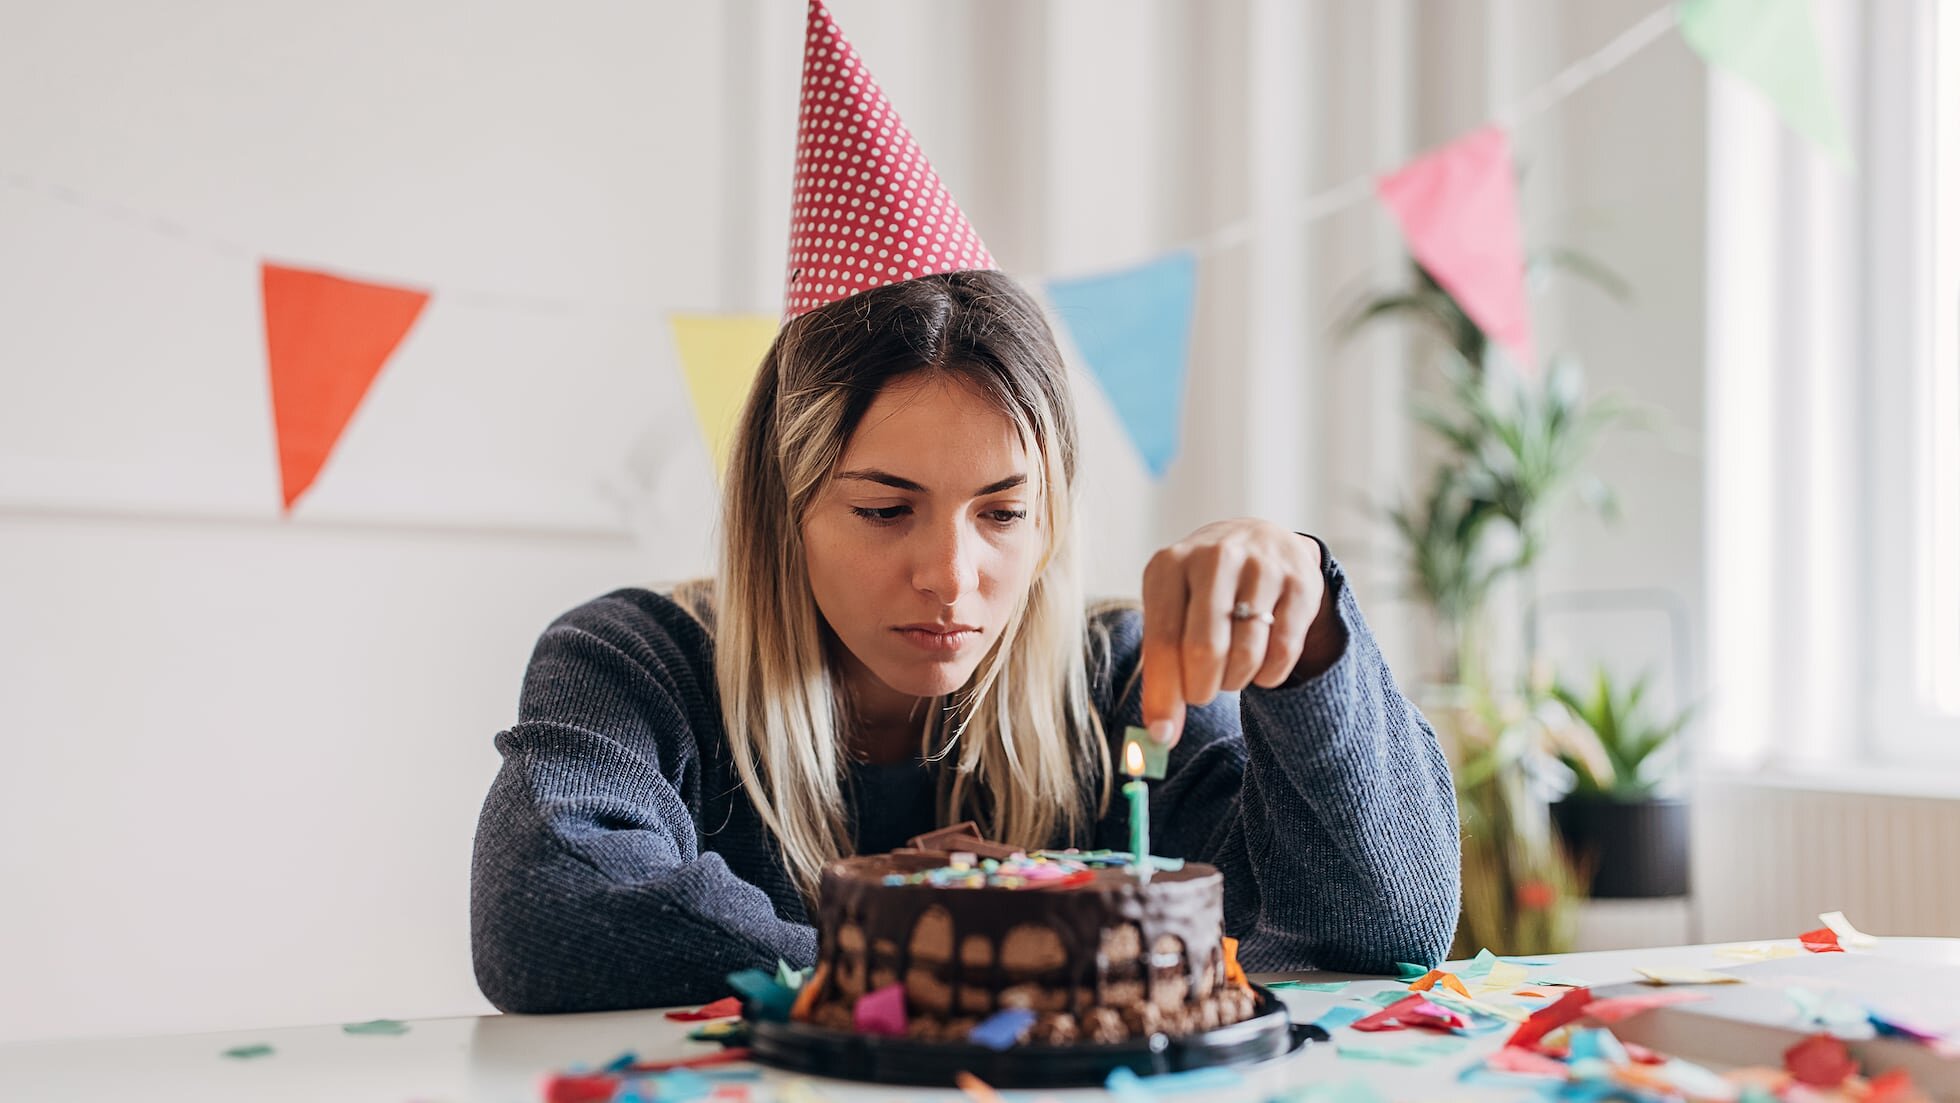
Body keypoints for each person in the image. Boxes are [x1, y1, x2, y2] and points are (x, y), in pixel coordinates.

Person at [469, 0, 1458, 1016]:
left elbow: (1373, 935)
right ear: (784, 505)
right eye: (885, 509)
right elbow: (548, 912)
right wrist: (983, 949)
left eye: (1000, 511)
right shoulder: (638, 664)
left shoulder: (1117, 682)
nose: (950, 573)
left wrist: (1309, 650)